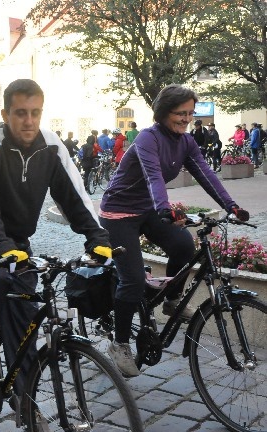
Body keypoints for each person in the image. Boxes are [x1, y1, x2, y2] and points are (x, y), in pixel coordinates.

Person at [0, 79, 111, 405]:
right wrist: (0, 247)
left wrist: (97, 236)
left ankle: (24, 401)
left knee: (24, 316)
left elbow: (74, 195)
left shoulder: (51, 147)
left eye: (35, 112)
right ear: (5, 113)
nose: (29, 121)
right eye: (21, 113)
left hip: (16, 238)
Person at [99, 84, 249, 377]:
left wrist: (232, 206)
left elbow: (206, 174)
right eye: (180, 113)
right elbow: (153, 175)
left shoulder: (186, 142)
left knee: (183, 245)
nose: (186, 118)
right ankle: (119, 344)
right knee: (130, 281)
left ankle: (171, 300)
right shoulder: (147, 138)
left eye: (190, 113)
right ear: (164, 112)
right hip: (119, 213)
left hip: (147, 210)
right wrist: (165, 209)